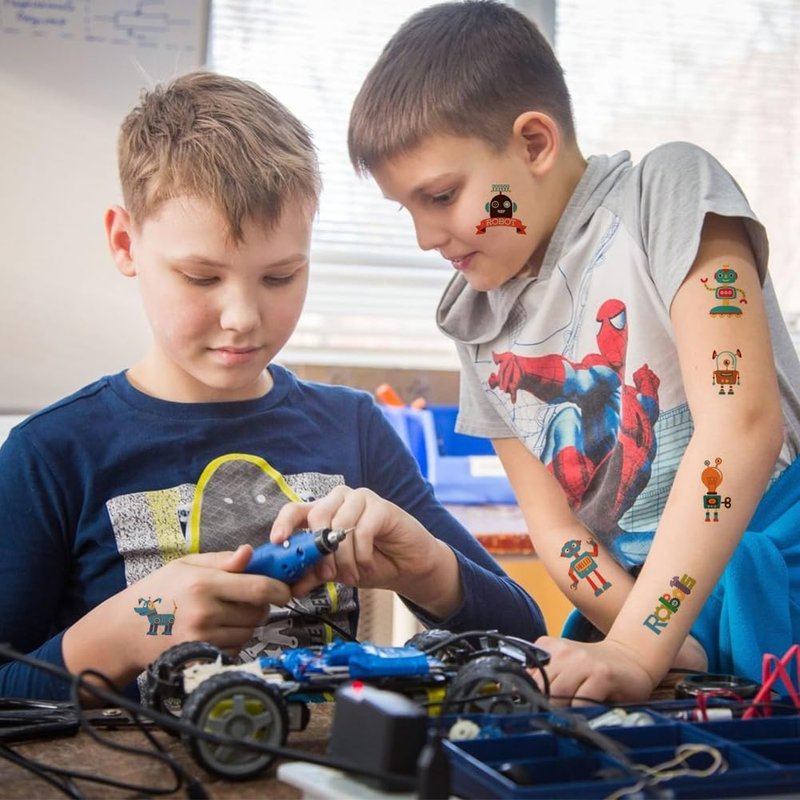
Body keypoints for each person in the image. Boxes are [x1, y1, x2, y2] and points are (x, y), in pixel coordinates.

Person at [0, 70, 546, 702]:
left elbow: (526, 640)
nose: (243, 317)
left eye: (280, 277)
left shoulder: (355, 429)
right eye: (201, 278)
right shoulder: (50, 455)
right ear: (126, 243)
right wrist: (123, 636)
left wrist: (427, 568)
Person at [347, 0, 800, 703]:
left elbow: (739, 428)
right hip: (645, 610)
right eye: (407, 209)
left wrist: (640, 645)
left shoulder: (667, 191)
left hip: (774, 565)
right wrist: (657, 643)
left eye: (441, 196)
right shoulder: (476, 320)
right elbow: (558, 531)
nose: (425, 237)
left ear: (534, 144)